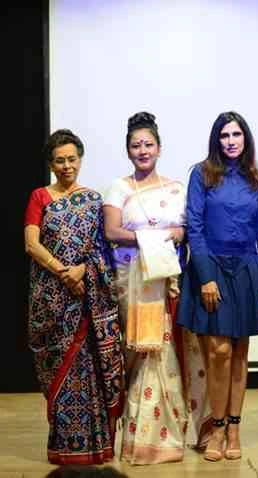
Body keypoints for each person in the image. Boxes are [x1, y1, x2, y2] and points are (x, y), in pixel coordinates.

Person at [104, 112, 203, 464]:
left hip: (168, 281)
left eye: (148, 144)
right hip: (131, 281)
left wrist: (175, 234)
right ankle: (136, 438)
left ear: (159, 148)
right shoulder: (119, 187)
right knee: (138, 354)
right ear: (128, 151)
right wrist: (155, 237)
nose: (143, 150)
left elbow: (187, 230)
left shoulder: (175, 189)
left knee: (168, 350)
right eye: (136, 145)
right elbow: (112, 231)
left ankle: (169, 437)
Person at [178, 111, 258, 461]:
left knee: (239, 353)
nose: (231, 141)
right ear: (216, 140)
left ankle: (234, 428)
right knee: (219, 351)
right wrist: (205, 276)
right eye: (225, 135)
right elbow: (195, 227)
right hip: (212, 268)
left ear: (245, 139)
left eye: (237, 134)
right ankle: (216, 428)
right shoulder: (201, 173)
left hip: (248, 269)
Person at [25, 129, 124, 464]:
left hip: (87, 300)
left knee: (90, 370)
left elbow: (103, 251)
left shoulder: (94, 201)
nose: (66, 166)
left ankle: (96, 446)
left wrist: (82, 270)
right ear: (50, 164)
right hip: (52, 302)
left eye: (71, 159)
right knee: (58, 371)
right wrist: (63, 272)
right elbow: (31, 244)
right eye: (59, 160)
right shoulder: (40, 197)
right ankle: (64, 446)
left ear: (80, 159)